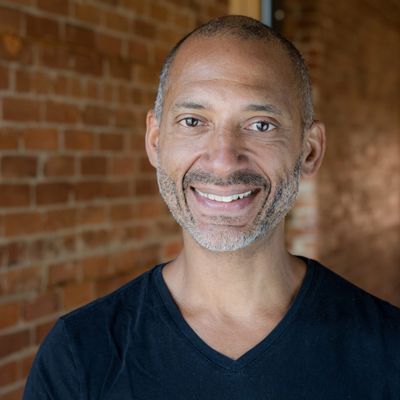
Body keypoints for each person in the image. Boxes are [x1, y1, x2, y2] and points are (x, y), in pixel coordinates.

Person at [23, 15, 400, 399]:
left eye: (261, 125)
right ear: (155, 141)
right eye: (193, 121)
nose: (223, 161)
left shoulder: (389, 350)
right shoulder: (79, 356)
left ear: (310, 150)